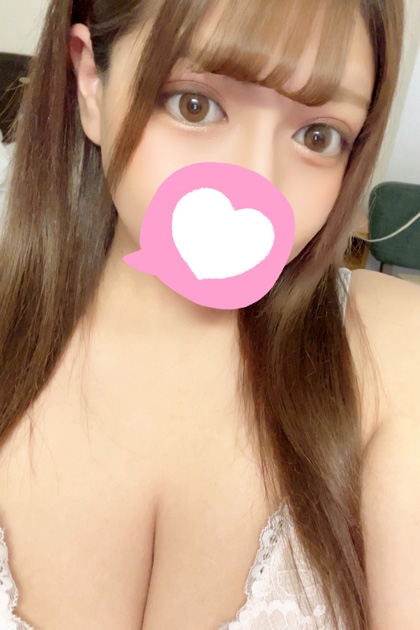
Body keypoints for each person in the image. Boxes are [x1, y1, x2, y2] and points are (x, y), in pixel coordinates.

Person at [0, 0, 419, 628]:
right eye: (193, 104)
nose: (256, 185)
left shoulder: (396, 351)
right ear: (90, 83)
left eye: (318, 135)